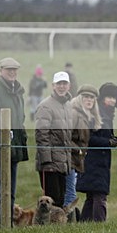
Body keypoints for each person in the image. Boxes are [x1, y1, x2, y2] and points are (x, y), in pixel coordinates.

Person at [0, 57, 28, 226]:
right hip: (0, 147)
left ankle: (8, 225)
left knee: (11, 191)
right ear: (1, 71)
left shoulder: (18, 92)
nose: (12, 73)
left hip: (16, 146)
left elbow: (21, 118)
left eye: (14, 70)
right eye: (8, 70)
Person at [77, 82, 117, 222]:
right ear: (102, 98)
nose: (112, 100)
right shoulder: (97, 114)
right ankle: (100, 225)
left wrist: (111, 139)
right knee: (99, 195)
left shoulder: (106, 114)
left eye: (114, 97)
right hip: (94, 160)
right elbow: (88, 137)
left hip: (98, 160)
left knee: (92, 196)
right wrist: (107, 142)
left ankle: (84, 224)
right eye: (109, 97)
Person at [34, 71, 73, 208]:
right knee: (52, 199)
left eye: (64, 83)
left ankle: (57, 228)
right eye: (59, 84)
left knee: (61, 198)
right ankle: (48, 228)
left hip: (63, 161)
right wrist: (47, 161)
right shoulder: (45, 106)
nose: (62, 86)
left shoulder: (68, 106)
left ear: (69, 85)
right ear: (53, 86)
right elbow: (41, 134)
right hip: (50, 163)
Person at [67, 84, 102, 219]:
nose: (89, 100)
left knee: (70, 192)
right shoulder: (74, 113)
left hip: (75, 160)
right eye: (86, 97)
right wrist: (80, 151)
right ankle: (68, 225)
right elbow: (66, 138)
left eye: (92, 98)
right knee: (70, 194)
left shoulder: (88, 116)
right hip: (68, 158)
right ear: (79, 98)